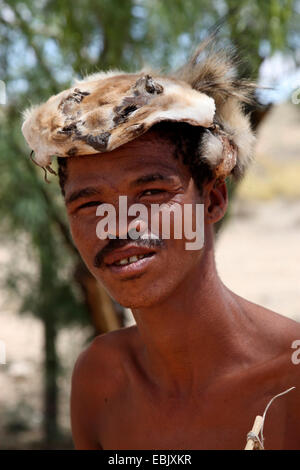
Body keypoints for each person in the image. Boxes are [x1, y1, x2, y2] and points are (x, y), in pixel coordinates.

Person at [21, 40, 300, 450]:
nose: (119, 227)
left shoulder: (289, 384)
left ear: (215, 199)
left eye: (151, 192)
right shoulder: (101, 380)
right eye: (90, 202)